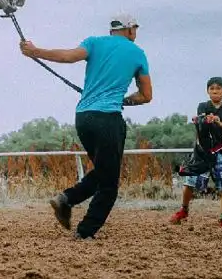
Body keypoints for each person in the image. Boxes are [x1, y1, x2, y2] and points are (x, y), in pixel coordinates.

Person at [20, 13, 152, 239]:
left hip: (83, 118)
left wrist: (36, 51)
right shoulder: (138, 53)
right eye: (135, 29)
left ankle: (67, 199)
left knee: (103, 171)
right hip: (109, 119)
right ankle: (84, 229)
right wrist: (125, 100)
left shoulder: (93, 42)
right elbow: (146, 95)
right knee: (109, 184)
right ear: (130, 29)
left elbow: (68, 57)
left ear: (112, 30)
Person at [170, 76, 222, 227]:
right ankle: (184, 210)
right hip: (202, 153)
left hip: (221, 152)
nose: (215, 91)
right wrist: (205, 120)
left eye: (218, 88)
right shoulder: (203, 106)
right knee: (190, 181)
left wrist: (218, 122)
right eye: (212, 88)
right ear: (207, 91)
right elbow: (201, 122)